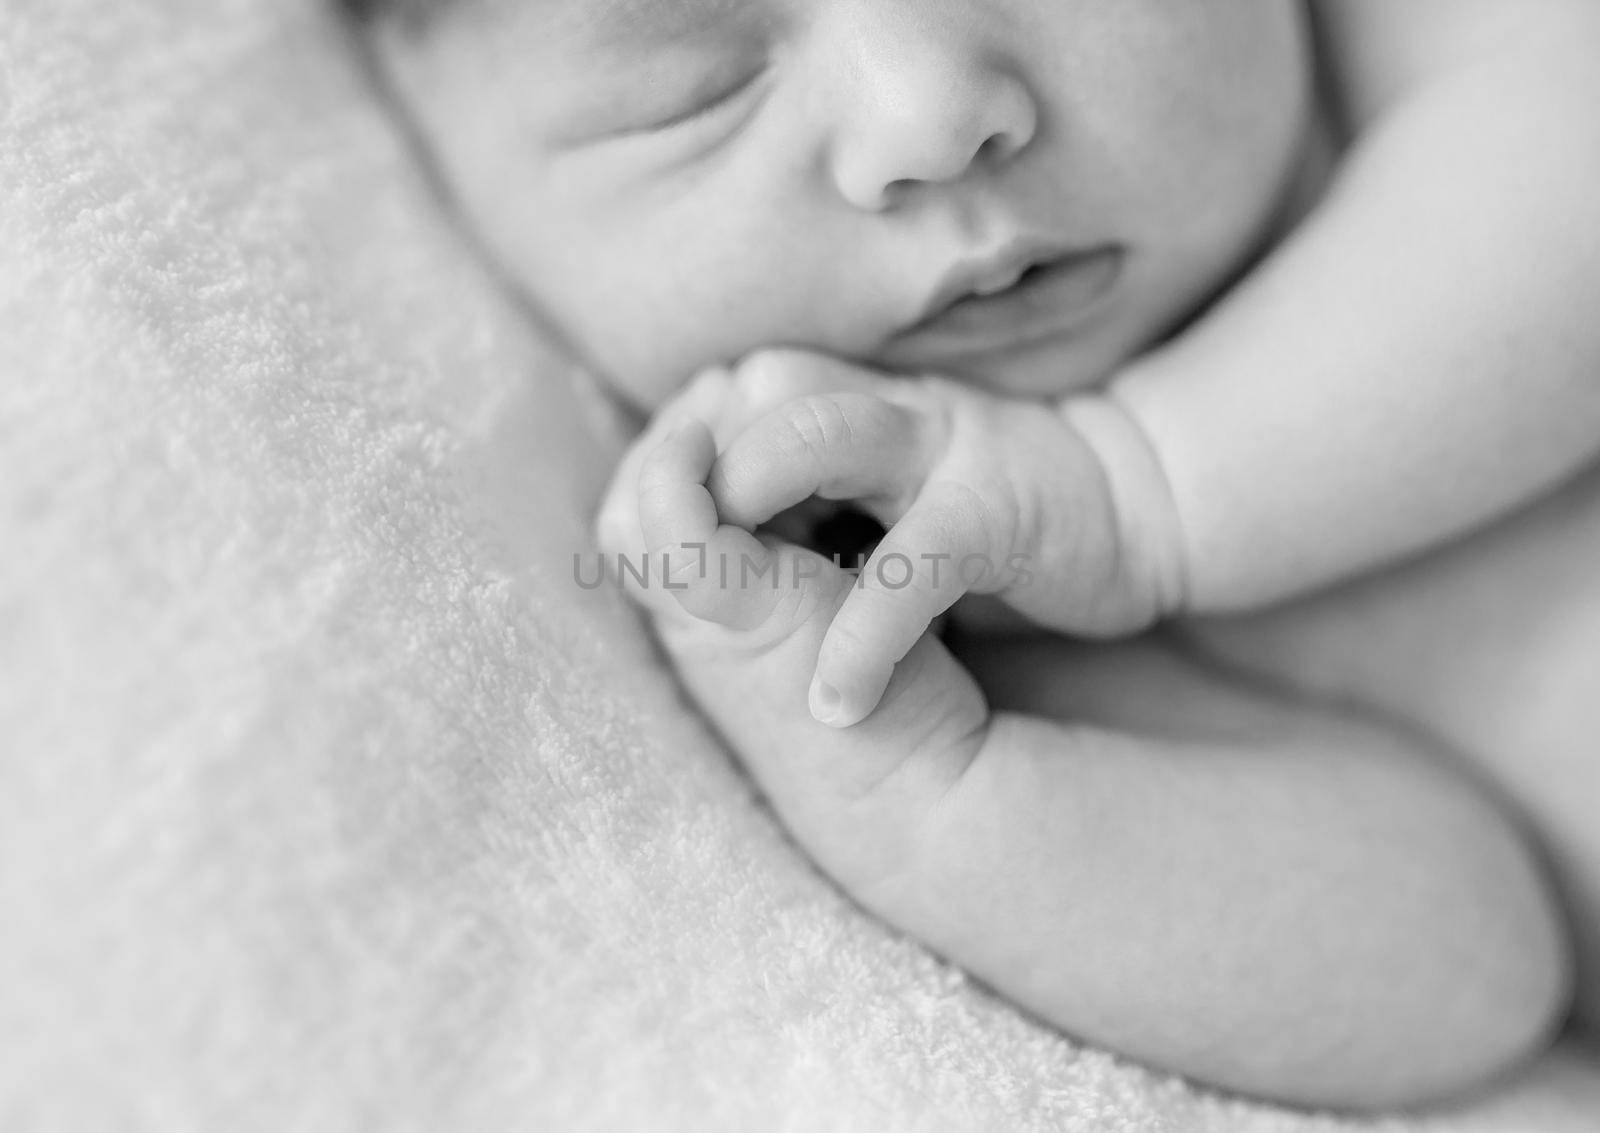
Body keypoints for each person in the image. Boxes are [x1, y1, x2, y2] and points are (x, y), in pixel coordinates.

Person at [348, 0, 1600, 1109]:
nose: (928, 119)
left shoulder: (1401, 59)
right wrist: (920, 784)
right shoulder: (945, 579)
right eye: (695, 90)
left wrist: (1131, 483)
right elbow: (1466, 964)